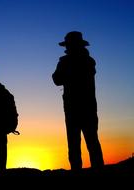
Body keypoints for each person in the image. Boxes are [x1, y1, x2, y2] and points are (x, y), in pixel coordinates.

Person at [52, 31, 104, 171]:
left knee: (75, 144)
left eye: (68, 45)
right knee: (92, 142)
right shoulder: (88, 61)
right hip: (88, 107)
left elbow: (56, 79)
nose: (67, 48)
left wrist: (64, 66)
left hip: (73, 108)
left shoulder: (68, 62)